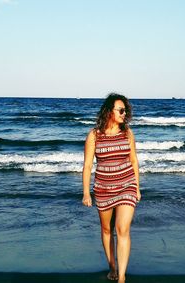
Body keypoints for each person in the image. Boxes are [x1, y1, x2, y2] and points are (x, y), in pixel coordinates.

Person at [82, 93, 141, 282]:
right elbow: (88, 166)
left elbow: (133, 160)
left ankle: (121, 278)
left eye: (126, 110)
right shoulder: (94, 135)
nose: (124, 114)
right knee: (107, 230)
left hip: (127, 185)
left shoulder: (127, 133)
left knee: (122, 228)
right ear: (109, 111)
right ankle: (113, 267)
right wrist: (86, 192)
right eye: (121, 110)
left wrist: (137, 187)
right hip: (104, 189)